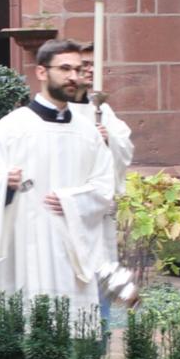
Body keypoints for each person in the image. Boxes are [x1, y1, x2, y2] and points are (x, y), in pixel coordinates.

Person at [0, 39, 117, 314]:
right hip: (26, 245)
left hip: (74, 248)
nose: (73, 76)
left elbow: (105, 187)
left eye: (78, 69)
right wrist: (3, 184)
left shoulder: (88, 131)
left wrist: (73, 200)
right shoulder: (12, 127)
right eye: (65, 68)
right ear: (42, 72)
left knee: (75, 326)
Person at [74, 45, 135, 310]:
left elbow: (125, 146)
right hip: (69, 208)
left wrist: (108, 139)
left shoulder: (101, 109)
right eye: (82, 65)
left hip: (97, 211)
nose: (88, 70)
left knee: (101, 266)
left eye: (92, 65)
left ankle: (102, 330)